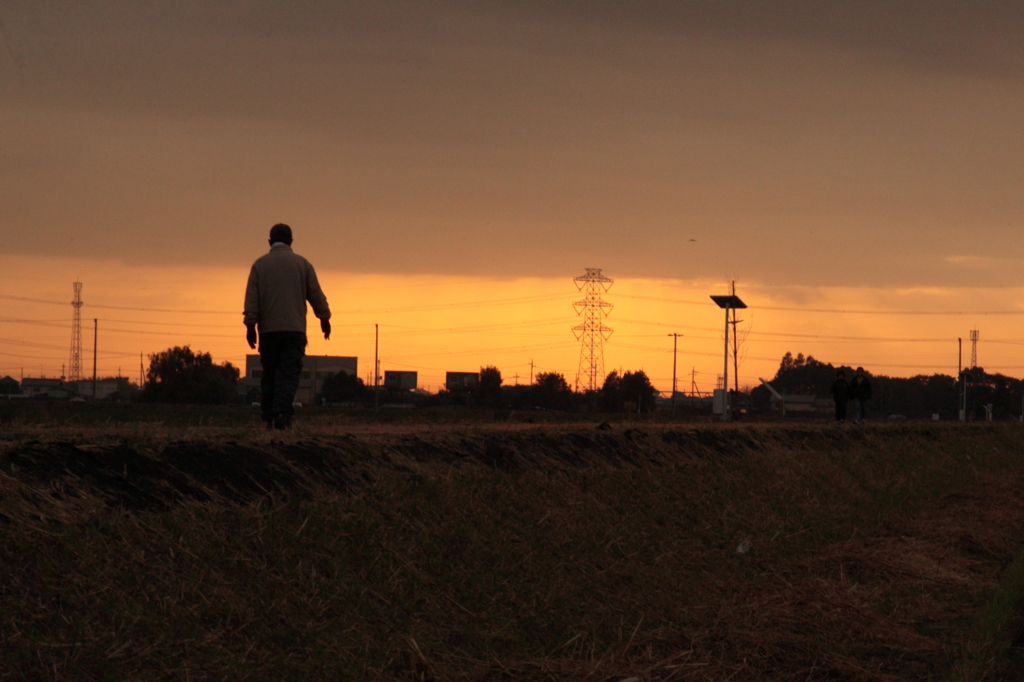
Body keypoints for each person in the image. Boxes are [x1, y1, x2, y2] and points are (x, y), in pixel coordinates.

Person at [243, 223, 331, 429]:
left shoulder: (259, 265)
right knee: (289, 374)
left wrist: (250, 325)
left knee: (270, 373)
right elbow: (315, 294)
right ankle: (282, 411)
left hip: (268, 332)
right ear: (291, 242)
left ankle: (268, 416)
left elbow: (251, 299)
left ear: (269, 241)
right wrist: (324, 318)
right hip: (294, 330)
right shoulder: (302, 264)